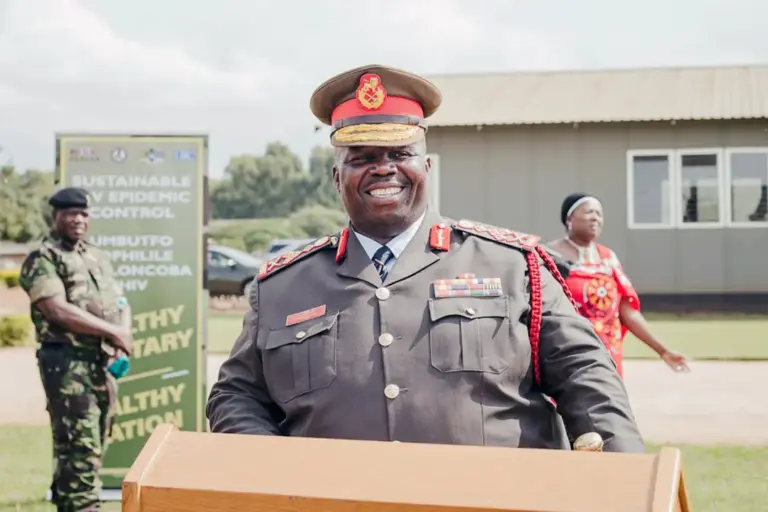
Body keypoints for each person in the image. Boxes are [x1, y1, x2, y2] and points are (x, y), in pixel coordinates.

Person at [206, 65, 645, 453]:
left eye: (400, 154)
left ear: (427, 167)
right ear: (336, 177)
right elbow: (235, 396)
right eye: (363, 158)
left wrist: (627, 483)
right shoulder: (282, 287)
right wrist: (268, 468)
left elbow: (586, 376)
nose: (384, 169)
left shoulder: (514, 266)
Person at [19, 187, 133, 512]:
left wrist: (122, 338)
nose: (78, 219)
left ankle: (72, 503)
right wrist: (114, 332)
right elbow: (57, 310)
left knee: (94, 443)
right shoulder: (43, 258)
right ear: (54, 216)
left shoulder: (95, 256)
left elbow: (120, 302)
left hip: (101, 364)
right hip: (67, 364)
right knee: (79, 446)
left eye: (84, 213)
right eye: (70, 213)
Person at [546, 193, 690, 377]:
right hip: (566, 354)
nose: (595, 218)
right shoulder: (549, 255)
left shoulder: (607, 258)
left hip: (607, 356)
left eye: (599, 213)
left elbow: (628, 312)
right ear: (569, 218)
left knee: (607, 403)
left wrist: (663, 350)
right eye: (589, 212)